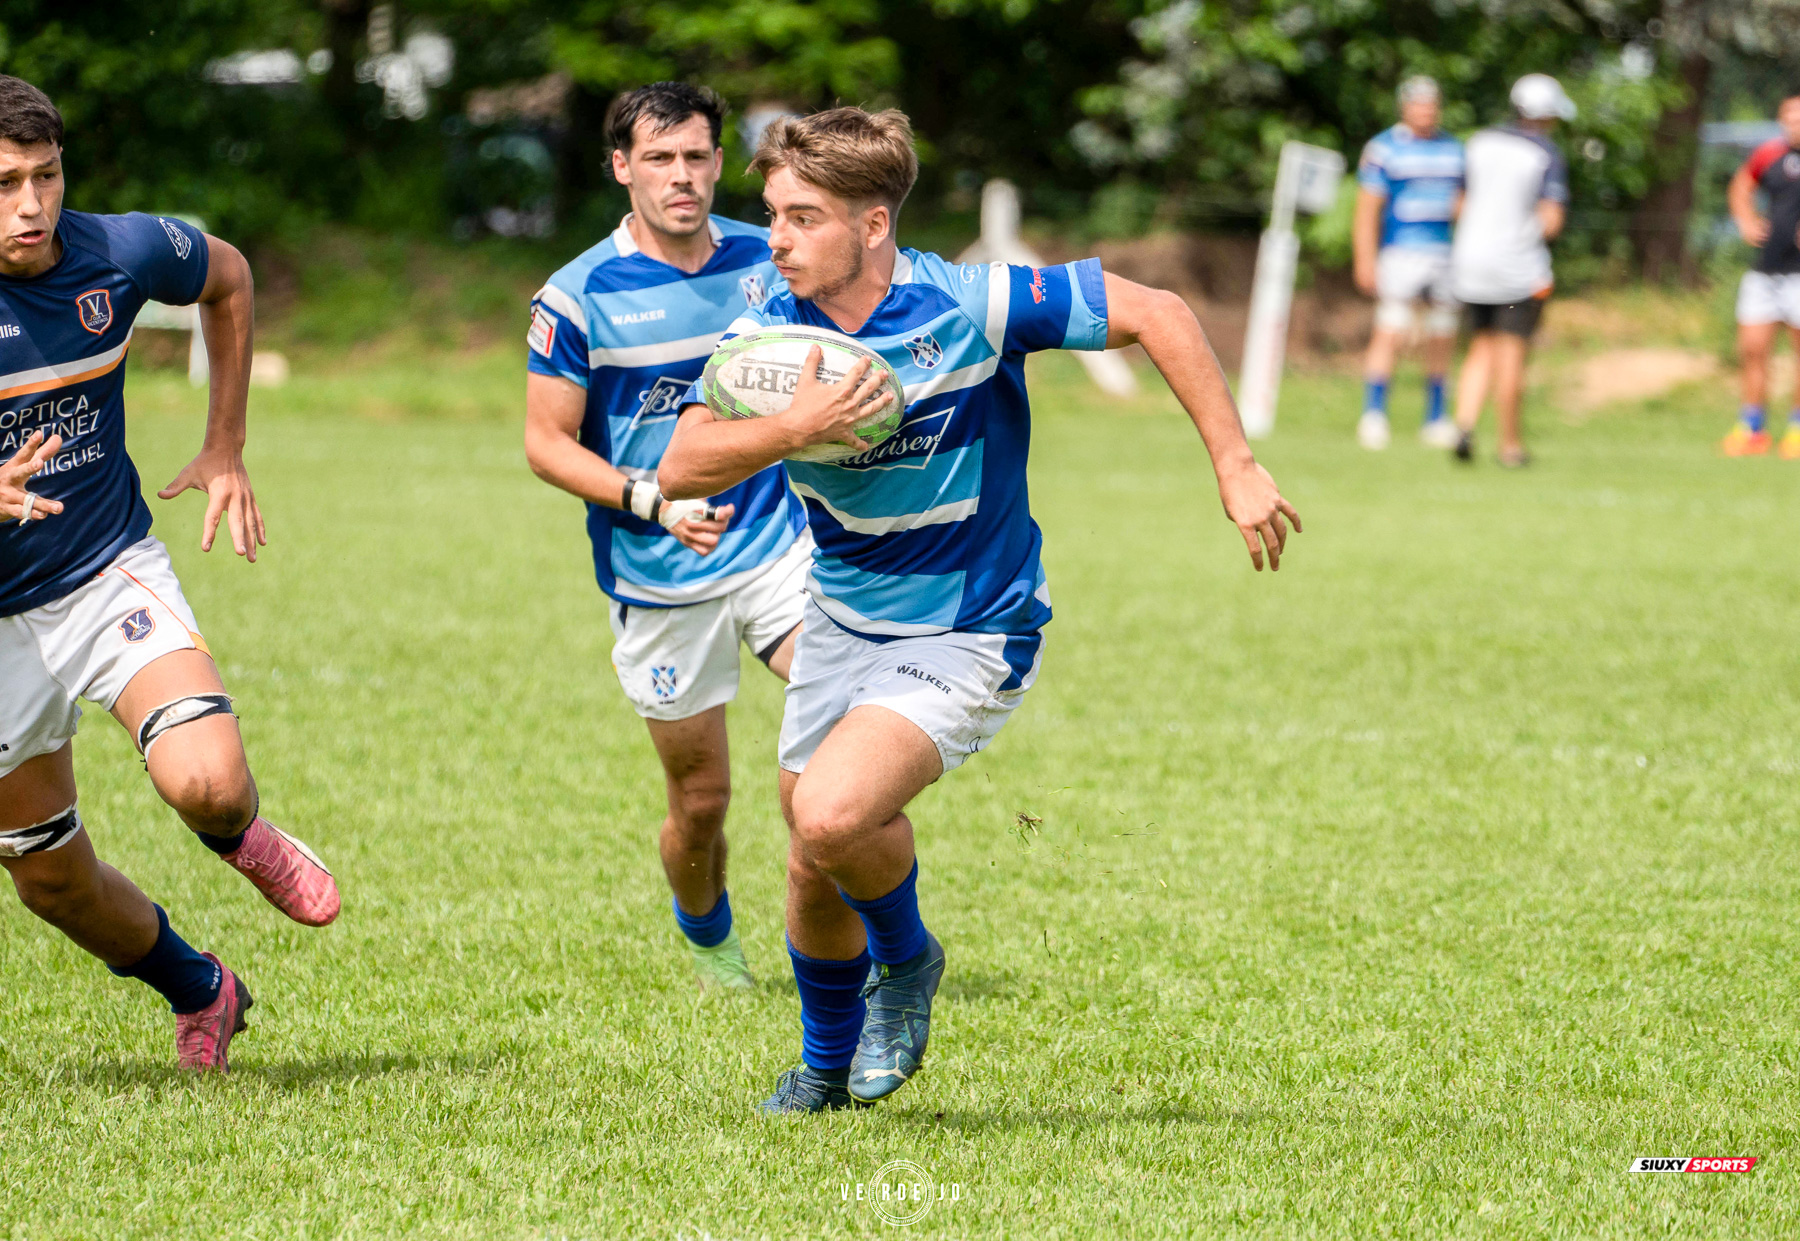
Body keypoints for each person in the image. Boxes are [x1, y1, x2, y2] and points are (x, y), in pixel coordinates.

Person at [657, 107, 1300, 1113]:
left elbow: (1161, 312)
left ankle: (908, 960)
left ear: (874, 224)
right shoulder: (770, 340)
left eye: (803, 217)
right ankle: (825, 1067)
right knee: (813, 857)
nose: (775, 237)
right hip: (842, 619)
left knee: (831, 814)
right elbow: (680, 463)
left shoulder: (972, 303)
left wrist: (1236, 461)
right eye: (773, 214)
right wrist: (791, 426)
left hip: (971, 625)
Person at [0, 76, 340, 1072]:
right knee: (50, 881)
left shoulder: (118, 251)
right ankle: (204, 988)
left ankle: (240, 832)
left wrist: (225, 442)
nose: (31, 204)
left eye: (45, 176)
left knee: (208, 784)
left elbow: (228, 277)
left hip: (101, 571)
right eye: (6, 184)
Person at [524, 83, 805, 992]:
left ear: (719, 162)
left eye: (695, 157)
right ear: (622, 168)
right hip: (657, 572)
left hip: (776, 543)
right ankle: (709, 935)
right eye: (658, 159)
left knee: (845, 712)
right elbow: (545, 444)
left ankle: (852, 928)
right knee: (702, 800)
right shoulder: (577, 296)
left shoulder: (771, 258)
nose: (680, 176)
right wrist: (653, 501)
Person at [1446, 73, 1573, 467]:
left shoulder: (1478, 142)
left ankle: (1464, 426)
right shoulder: (1545, 154)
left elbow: (1458, 205)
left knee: (1480, 347)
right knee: (1512, 353)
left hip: (1469, 263)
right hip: (1517, 268)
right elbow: (1551, 220)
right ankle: (1510, 446)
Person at [1353, 75, 1465, 451]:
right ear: (1405, 107)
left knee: (1441, 332)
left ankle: (1435, 417)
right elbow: (1368, 208)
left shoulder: (1453, 150)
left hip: (1443, 252)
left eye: (1431, 104)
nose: (1426, 111)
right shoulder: (1384, 148)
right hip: (1400, 250)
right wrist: (1365, 259)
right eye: (1419, 104)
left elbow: (1461, 203)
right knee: (1392, 328)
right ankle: (1374, 413)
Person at [1721, 93, 1800, 458]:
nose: (1795, 123)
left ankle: (1797, 430)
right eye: (1789, 117)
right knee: (1753, 350)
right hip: (1765, 272)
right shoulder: (1768, 154)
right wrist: (1746, 220)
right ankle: (1752, 429)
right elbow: (1741, 186)